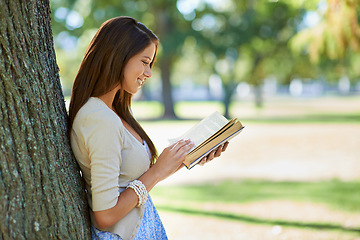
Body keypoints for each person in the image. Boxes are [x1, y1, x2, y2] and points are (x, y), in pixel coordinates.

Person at [68, 16, 228, 240]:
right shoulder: (99, 118)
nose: (149, 72)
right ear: (118, 56)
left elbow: (128, 176)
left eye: (150, 64)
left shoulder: (113, 111)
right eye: (144, 62)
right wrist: (158, 171)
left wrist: (187, 157)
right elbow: (104, 215)